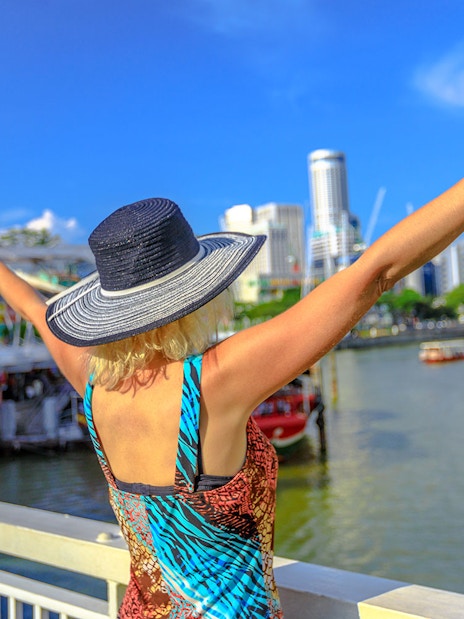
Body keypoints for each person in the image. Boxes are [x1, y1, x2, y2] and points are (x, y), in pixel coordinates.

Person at [1, 181, 464, 617]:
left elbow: (35, 310)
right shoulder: (211, 382)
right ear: (196, 291)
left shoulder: (95, 384)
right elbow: (374, 273)